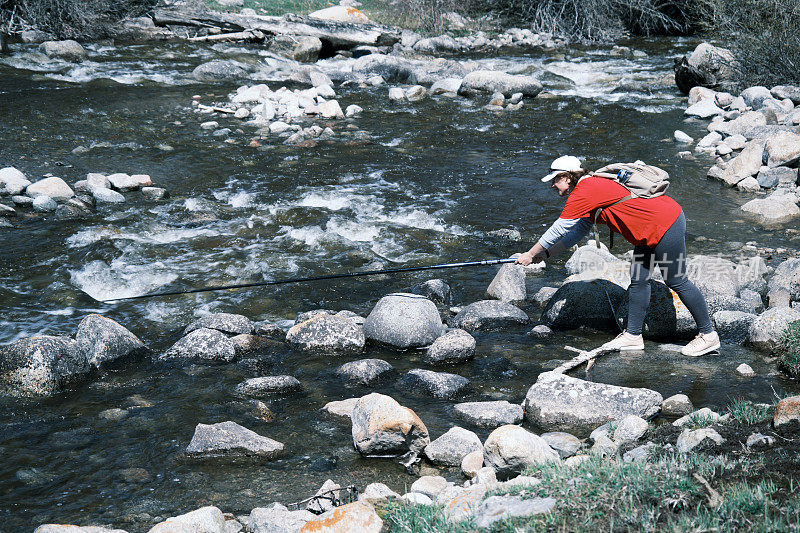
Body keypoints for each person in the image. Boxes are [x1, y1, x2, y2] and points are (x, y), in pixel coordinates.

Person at [515, 155, 720, 357]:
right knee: (639, 280)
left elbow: (559, 228)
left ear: (567, 177)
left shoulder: (586, 189)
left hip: (665, 224)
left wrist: (530, 253)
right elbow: (578, 231)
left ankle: (708, 335)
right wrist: (546, 253)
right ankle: (632, 336)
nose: (552, 186)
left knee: (676, 280)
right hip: (648, 231)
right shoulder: (589, 188)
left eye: (554, 180)